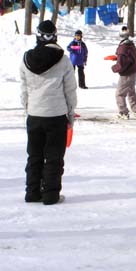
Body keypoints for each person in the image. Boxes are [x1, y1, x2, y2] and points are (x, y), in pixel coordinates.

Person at [20, 20, 77, 205]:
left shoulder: (26, 58)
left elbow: (24, 90)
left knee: (34, 155)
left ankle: (32, 192)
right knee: (53, 156)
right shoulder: (64, 59)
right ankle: (51, 195)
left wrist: (27, 109)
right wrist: (70, 114)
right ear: (55, 35)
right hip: (56, 115)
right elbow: (70, 90)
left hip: (35, 114)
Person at [111, 26, 136, 119]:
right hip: (133, 70)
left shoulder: (122, 48)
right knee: (131, 90)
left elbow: (121, 65)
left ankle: (123, 112)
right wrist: (118, 58)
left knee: (120, 93)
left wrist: (113, 67)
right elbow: (131, 57)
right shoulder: (131, 44)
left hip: (127, 73)